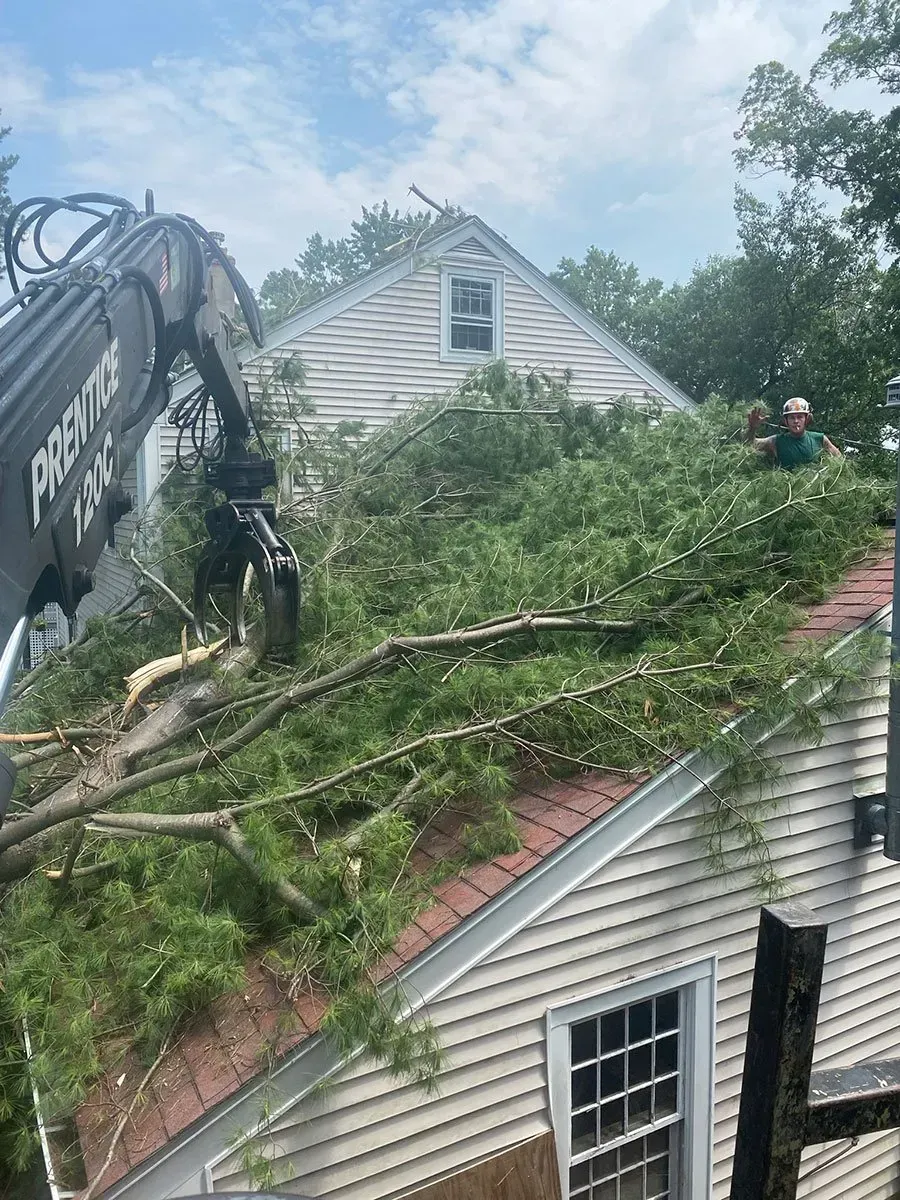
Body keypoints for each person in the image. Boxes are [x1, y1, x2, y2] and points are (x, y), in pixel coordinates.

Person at [747, 398, 841, 469]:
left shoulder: (819, 439)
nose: (796, 421)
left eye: (800, 417)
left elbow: (840, 460)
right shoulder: (776, 441)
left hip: (815, 491)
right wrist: (752, 428)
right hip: (787, 492)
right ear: (785, 420)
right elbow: (750, 445)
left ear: (807, 419)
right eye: (791, 417)